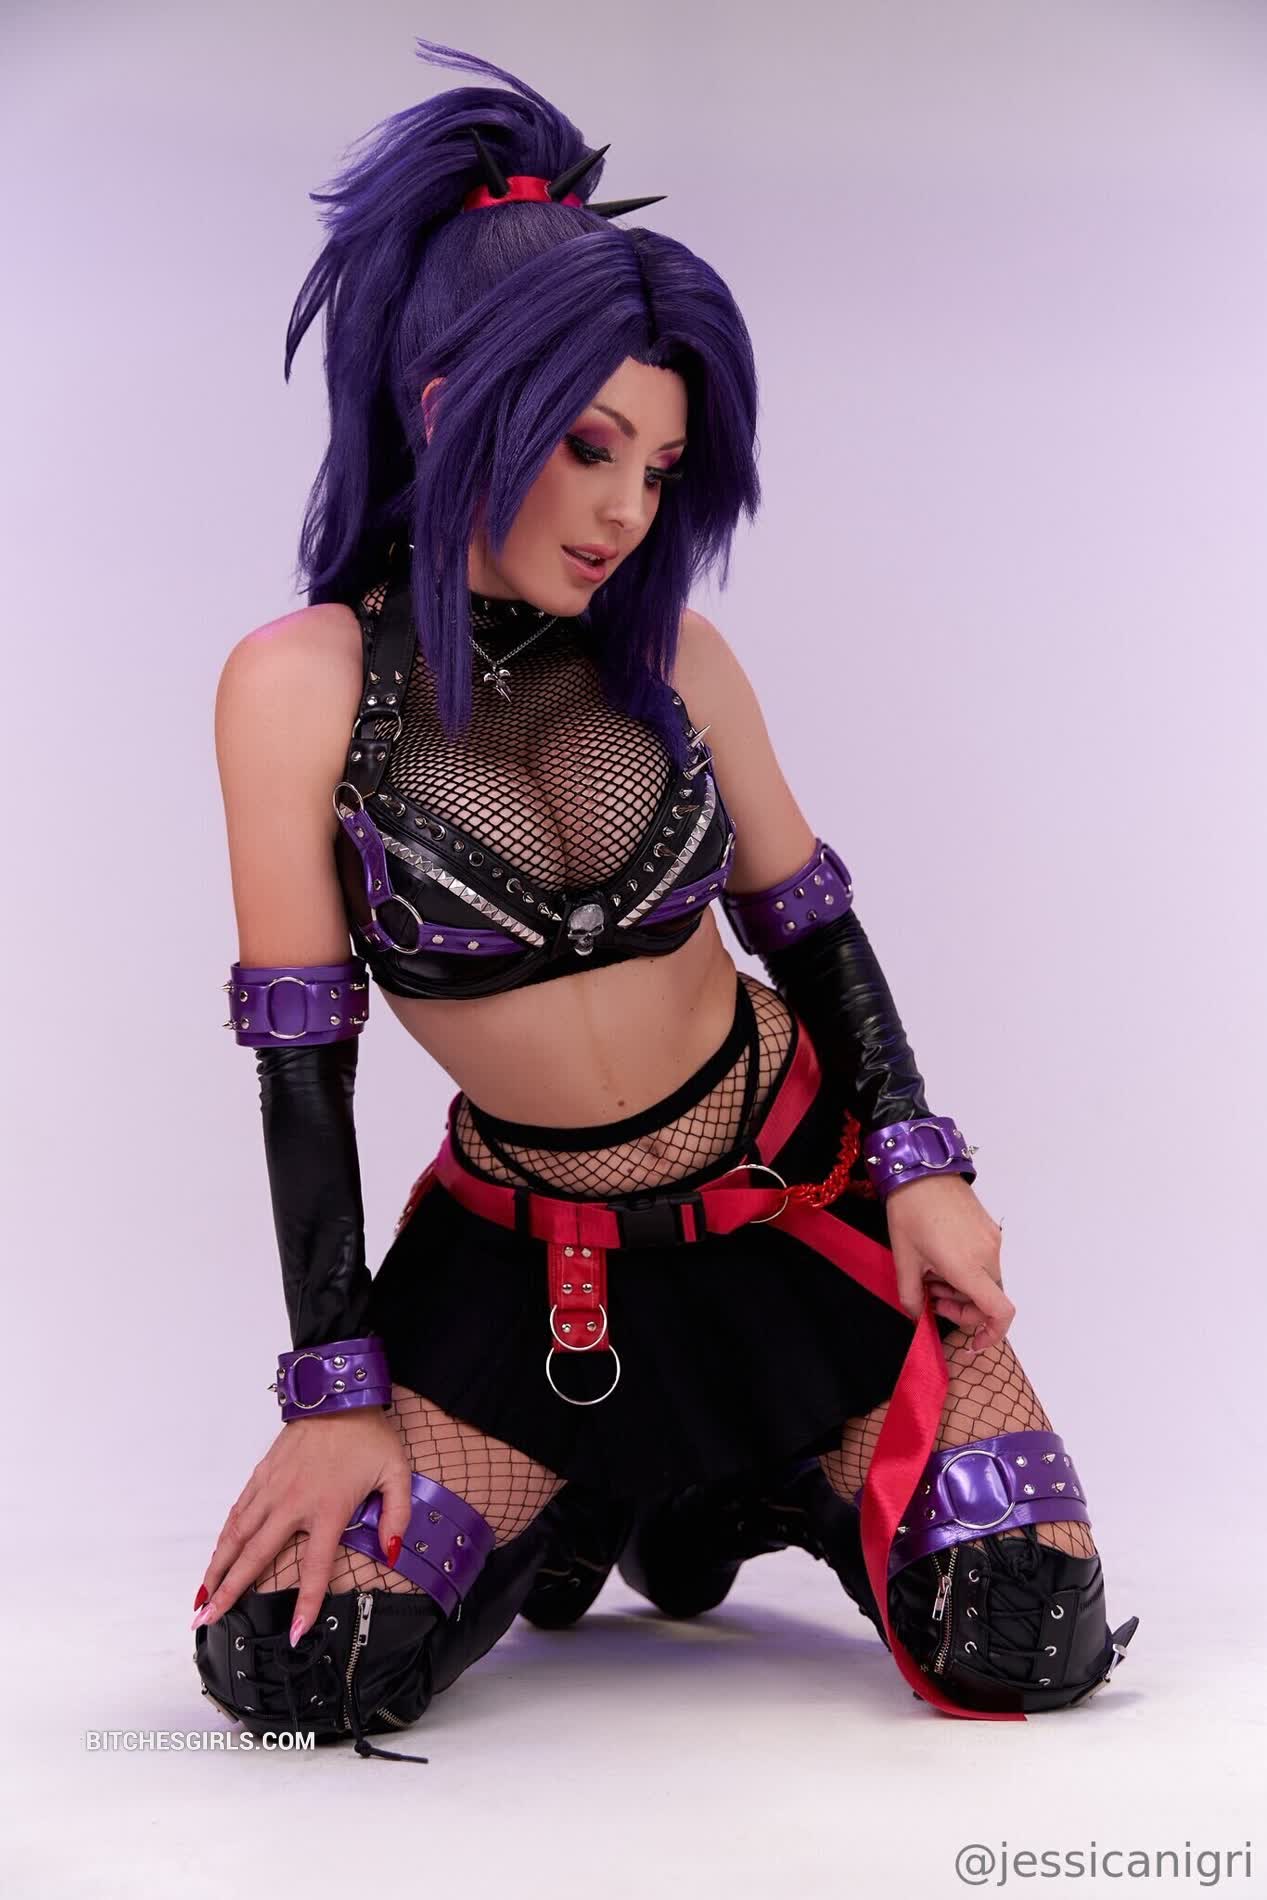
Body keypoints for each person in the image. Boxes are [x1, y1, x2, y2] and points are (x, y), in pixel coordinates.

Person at [192, 37, 1137, 1762]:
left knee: (1025, 1635)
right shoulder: (300, 685)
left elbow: (809, 924)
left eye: (664, 469)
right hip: (532, 1276)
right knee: (289, 1667)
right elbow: (300, 1065)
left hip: (794, 1218)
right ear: (449, 406)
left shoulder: (678, 660)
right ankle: (600, 1486)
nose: (631, 510)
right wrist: (335, 1392)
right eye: (592, 448)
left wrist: (923, 1167)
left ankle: (728, 1488)